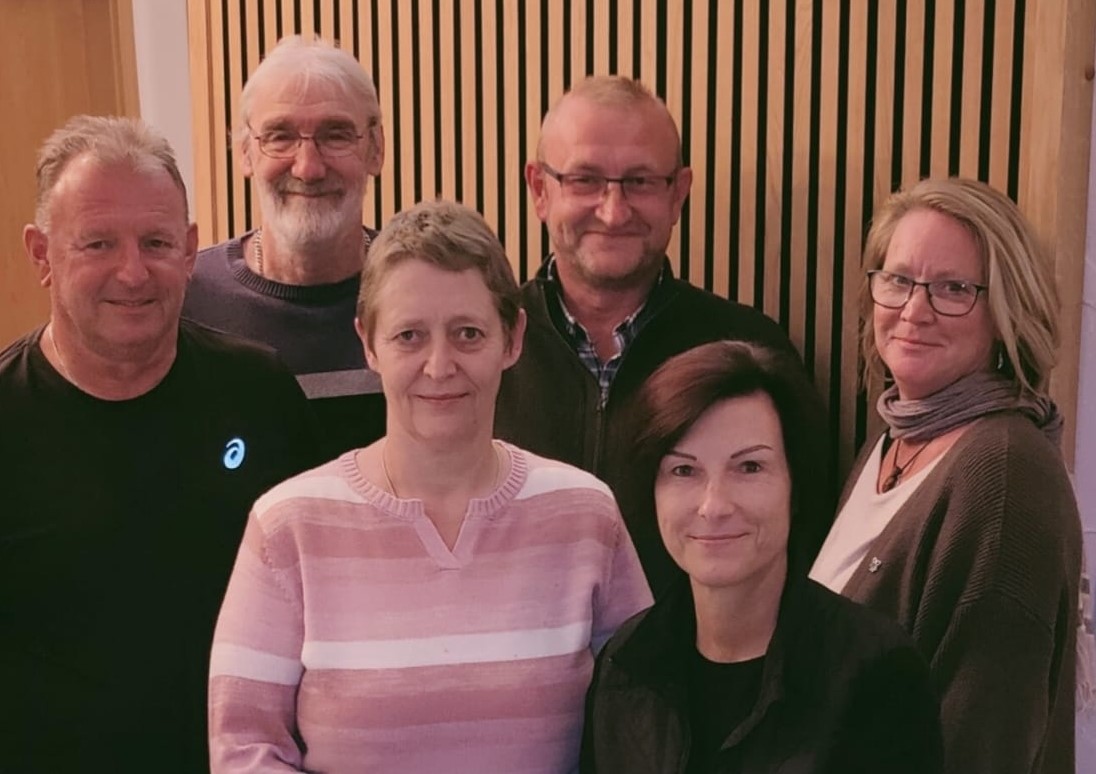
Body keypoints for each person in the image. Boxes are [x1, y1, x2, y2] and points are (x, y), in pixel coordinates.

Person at [208, 200, 652, 773]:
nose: (439, 366)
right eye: (409, 336)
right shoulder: (286, 526)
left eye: (468, 334)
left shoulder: (585, 513)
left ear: (513, 338)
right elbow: (244, 750)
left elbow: (642, 729)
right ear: (369, 344)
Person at [0, 115, 318, 772]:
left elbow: (315, 609)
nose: (133, 272)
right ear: (41, 254)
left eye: (155, 242)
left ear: (190, 249)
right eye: (97, 244)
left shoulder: (259, 391)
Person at [494, 75, 828, 598]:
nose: (613, 210)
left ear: (678, 194)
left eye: (641, 181)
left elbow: (802, 551)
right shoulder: (479, 349)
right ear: (540, 189)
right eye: (585, 180)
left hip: (697, 653)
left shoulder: (746, 351)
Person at [809, 177, 1082, 774]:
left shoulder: (1002, 475)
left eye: (954, 289)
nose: (914, 311)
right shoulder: (893, 441)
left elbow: (983, 744)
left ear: (1006, 312)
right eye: (898, 280)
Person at [581, 341, 942, 773]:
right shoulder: (627, 661)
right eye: (683, 470)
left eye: (749, 467)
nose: (713, 505)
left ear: (795, 485)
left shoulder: (877, 673)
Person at [183, 35, 386, 460]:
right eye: (280, 136)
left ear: (376, 149)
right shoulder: (186, 300)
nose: (308, 168)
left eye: (336, 135)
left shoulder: (425, 292)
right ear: (244, 153)